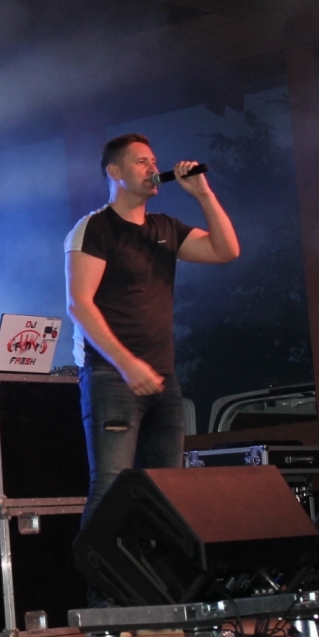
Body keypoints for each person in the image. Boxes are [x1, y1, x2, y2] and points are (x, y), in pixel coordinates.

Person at [65, 133, 240, 530]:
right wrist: (127, 365)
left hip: (163, 376)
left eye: (153, 161)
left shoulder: (165, 228)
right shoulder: (95, 228)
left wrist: (203, 195)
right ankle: (97, 572)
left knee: (167, 489)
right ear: (115, 171)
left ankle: (155, 569)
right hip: (112, 376)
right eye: (141, 161)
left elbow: (226, 250)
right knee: (111, 484)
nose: (152, 168)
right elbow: (79, 304)